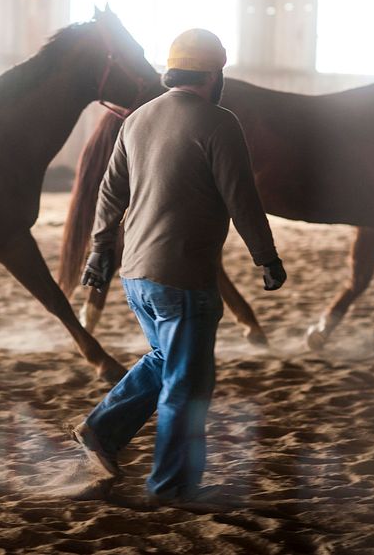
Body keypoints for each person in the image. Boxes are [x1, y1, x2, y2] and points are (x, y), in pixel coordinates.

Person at [74, 28, 286, 506]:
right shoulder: (219, 123)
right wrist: (266, 256)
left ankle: (102, 431)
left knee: (164, 360)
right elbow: (242, 199)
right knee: (186, 386)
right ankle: (172, 487)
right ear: (214, 74)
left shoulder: (137, 119)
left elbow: (109, 193)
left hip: (135, 276)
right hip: (183, 278)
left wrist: (100, 252)